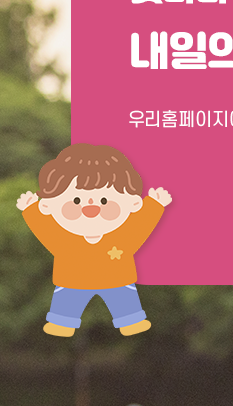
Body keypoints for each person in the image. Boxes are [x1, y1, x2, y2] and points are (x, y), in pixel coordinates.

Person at [16, 144, 172, 337]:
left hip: (114, 279)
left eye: (104, 200)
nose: (91, 208)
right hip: (74, 280)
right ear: (49, 205)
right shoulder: (64, 239)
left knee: (123, 299)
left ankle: (129, 319)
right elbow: (45, 230)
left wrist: (154, 205)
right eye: (76, 201)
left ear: (132, 203)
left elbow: (141, 226)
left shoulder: (122, 236)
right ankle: (62, 321)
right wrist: (32, 210)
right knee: (67, 302)